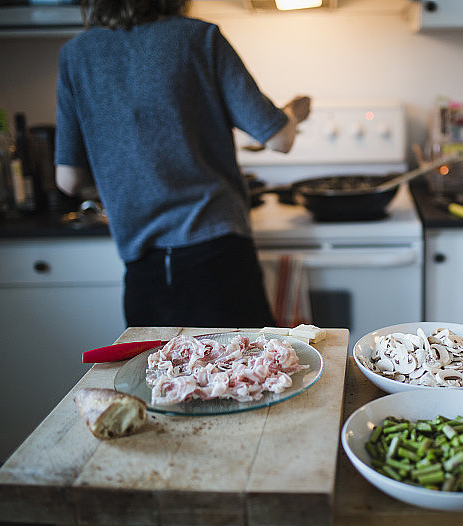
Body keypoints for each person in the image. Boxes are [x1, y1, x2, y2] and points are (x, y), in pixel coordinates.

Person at [55, 0, 310, 328]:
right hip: (218, 260)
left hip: (144, 270)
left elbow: (68, 180)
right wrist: (295, 113)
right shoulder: (199, 37)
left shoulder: (77, 55)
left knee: (159, 377)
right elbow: (279, 138)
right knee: (253, 374)